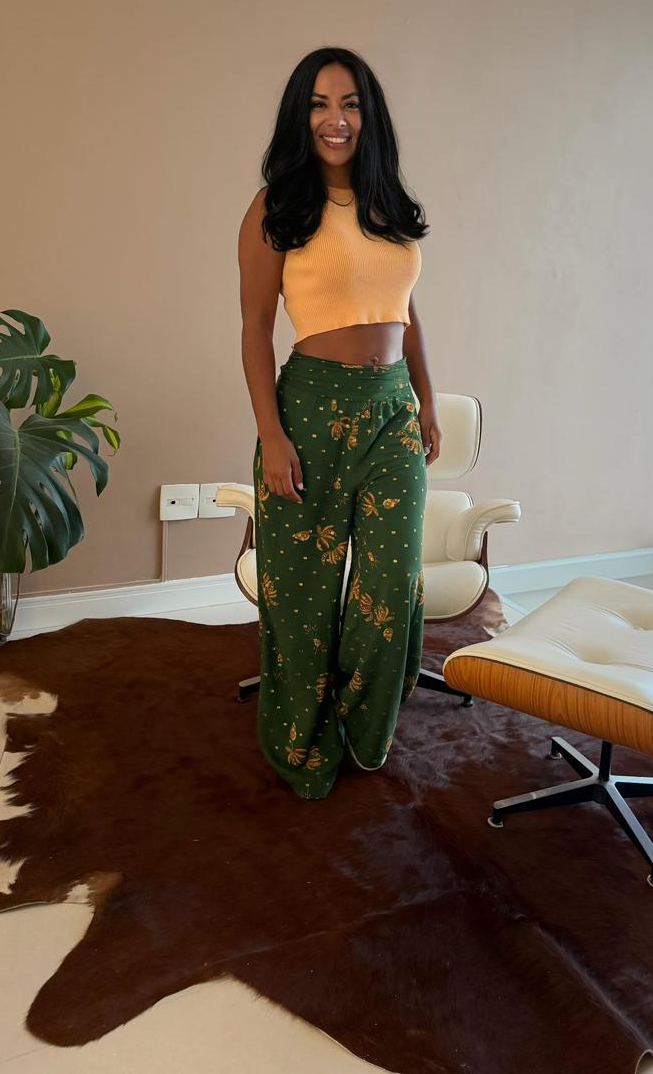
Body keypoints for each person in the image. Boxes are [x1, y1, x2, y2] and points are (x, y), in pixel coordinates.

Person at [237, 46, 441, 799]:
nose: (336, 119)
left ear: (368, 115)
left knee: (391, 583)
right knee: (303, 590)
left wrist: (425, 397)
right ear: (301, 116)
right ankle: (300, 736)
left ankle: (361, 725)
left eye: (350, 104)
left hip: (392, 410)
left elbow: (407, 312)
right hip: (310, 409)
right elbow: (255, 329)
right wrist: (271, 434)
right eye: (320, 104)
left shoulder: (389, 206)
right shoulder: (276, 208)